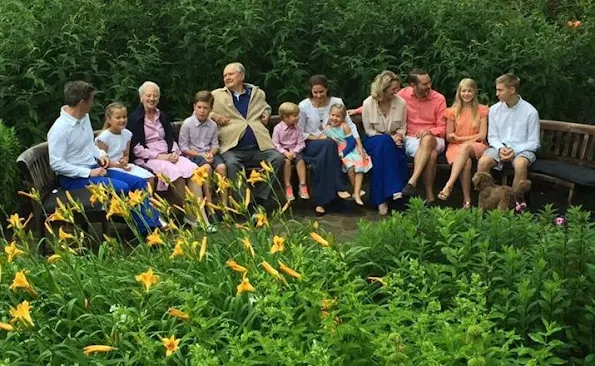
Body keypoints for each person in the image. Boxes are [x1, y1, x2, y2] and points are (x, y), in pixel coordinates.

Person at [47, 81, 163, 233]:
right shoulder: (60, 129)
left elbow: (90, 146)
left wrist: (101, 155)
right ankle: (148, 231)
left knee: (139, 183)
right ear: (82, 102)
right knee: (122, 188)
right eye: (91, 99)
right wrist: (88, 173)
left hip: (95, 169)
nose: (93, 103)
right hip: (73, 179)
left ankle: (150, 227)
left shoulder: (84, 118)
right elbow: (56, 164)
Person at [127, 81, 212, 228]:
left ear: (159, 99)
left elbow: (170, 138)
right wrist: (161, 157)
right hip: (149, 159)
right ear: (141, 98)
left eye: (155, 96)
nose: (152, 99)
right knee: (174, 173)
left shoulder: (162, 116)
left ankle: (203, 218)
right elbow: (136, 148)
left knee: (192, 169)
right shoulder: (134, 119)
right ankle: (191, 214)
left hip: (168, 153)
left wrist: (173, 152)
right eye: (148, 95)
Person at [209, 62, 284, 206]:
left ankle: (261, 198)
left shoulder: (257, 93)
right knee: (231, 164)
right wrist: (213, 115)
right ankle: (246, 204)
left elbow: (266, 107)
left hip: (259, 147)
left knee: (278, 158)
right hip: (232, 148)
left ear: (241, 76)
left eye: (230, 74)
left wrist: (267, 114)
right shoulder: (216, 95)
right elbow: (199, 112)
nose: (227, 78)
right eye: (225, 75)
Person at [298, 75, 356, 215]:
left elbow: (349, 124)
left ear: (327, 89)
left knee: (327, 152)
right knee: (328, 146)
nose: (318, 95)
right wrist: (315, 137)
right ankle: (339, 188)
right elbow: (299, 131)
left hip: (332, 146)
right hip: (310, 144)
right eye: (315, 92)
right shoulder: (304, 105)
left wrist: (357, 141)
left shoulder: (336, 102)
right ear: (311, 92)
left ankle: (321, 202)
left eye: (321, 92)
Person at [478, 73, 540, 194]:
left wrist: (514, 150)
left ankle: (514, 205)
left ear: (512, 90)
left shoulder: (530, 112)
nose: (497, 94)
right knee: (483, 162)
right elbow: (492, 137)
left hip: (522, 149)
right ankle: (486, 202)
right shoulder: (494, 110)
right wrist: (501, 148)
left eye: (500, 90)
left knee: (520, 164)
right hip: (499, 147)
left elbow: (534, 143)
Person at [361, 70, 409, 215]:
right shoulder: (368, 103)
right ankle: (395, 190)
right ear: (383, 88)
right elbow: (368, 130)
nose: (396, 91)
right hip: (373, 141)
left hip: (394, 143)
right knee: (383, 143)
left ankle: (380, 199)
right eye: (393, 89)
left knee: (384, 155)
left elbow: (403, 126)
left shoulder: (401, 103)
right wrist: (389, 138)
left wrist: (399, 136)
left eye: (397, 88)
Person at [437, 78, 488, 208]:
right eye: (463, 91)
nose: (466, 94)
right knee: (466, 162)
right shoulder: (452, 111)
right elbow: (449, 137)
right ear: (459, 93)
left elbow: (481, 135)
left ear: (475, 92)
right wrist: (461, 139)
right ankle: (467, 201)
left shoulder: (481, 110)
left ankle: (449, 185)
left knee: (465, 147)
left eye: (469, 91)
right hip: (456, 147)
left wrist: (459, 139)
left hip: (478, 145)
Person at [397, 69, 446, 203]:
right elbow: (382, 101)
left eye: (429, 82)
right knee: (431, 155)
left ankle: (412, 181)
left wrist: (430, 131)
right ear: (413, 85)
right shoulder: (402, 95)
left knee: (428, 140)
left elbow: (443, 127)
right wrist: (358, 110)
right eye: (424, 84)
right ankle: (430, 197)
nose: (429, 86)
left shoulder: (439, 99)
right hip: (412, 139)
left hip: (436, 138)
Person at [179, 90, 227, 205]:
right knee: (207, 168)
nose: (202, 111)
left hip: (208, 154)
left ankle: (225, 205)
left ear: (211, 109)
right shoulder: (187, 124)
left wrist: (211, 153)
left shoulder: (213, 125)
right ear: (194, 107)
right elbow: (183, 148)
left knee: (222, 167)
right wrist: (200, 155)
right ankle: (209, 205)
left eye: (205, 108)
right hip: (193, 155)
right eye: (199, 107)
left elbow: (215, 144)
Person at [325, 104, 372, 205]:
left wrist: (344, 153)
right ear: (329, 115)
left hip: (350, 150)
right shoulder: (327, 129)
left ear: (343, 118)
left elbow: (351, 142)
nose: (334, 118)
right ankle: (357, 190)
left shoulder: (344, 127)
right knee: (351, 168)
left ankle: (356, 193)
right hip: (340, 151)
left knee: (359, 167)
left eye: (338, 116)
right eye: (332, 115)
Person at [95, 102, 155, 182]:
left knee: (149, 177)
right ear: (109, 119)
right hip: (110, 169)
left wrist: (124, 160)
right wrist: (119, 166)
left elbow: (126, 155)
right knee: (136, 180)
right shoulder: (104, 137)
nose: (122, 120)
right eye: (118, 118)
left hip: (123, 166)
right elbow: (102, 162)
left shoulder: (127, 134)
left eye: (124, 117)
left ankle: (149, 194)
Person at [272, 102, 309, 201]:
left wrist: (295, 152)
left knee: (300, 161)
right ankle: (288, 187)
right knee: (286, 163)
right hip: (284, 151)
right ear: (285, 117)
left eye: (298, 115)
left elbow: (301, 143)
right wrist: (285, 153)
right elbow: (275, 144)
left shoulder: (298, 128)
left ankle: (303, 185)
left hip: (295, 151)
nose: (297, 118)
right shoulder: (278, 129)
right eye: (294, 116)